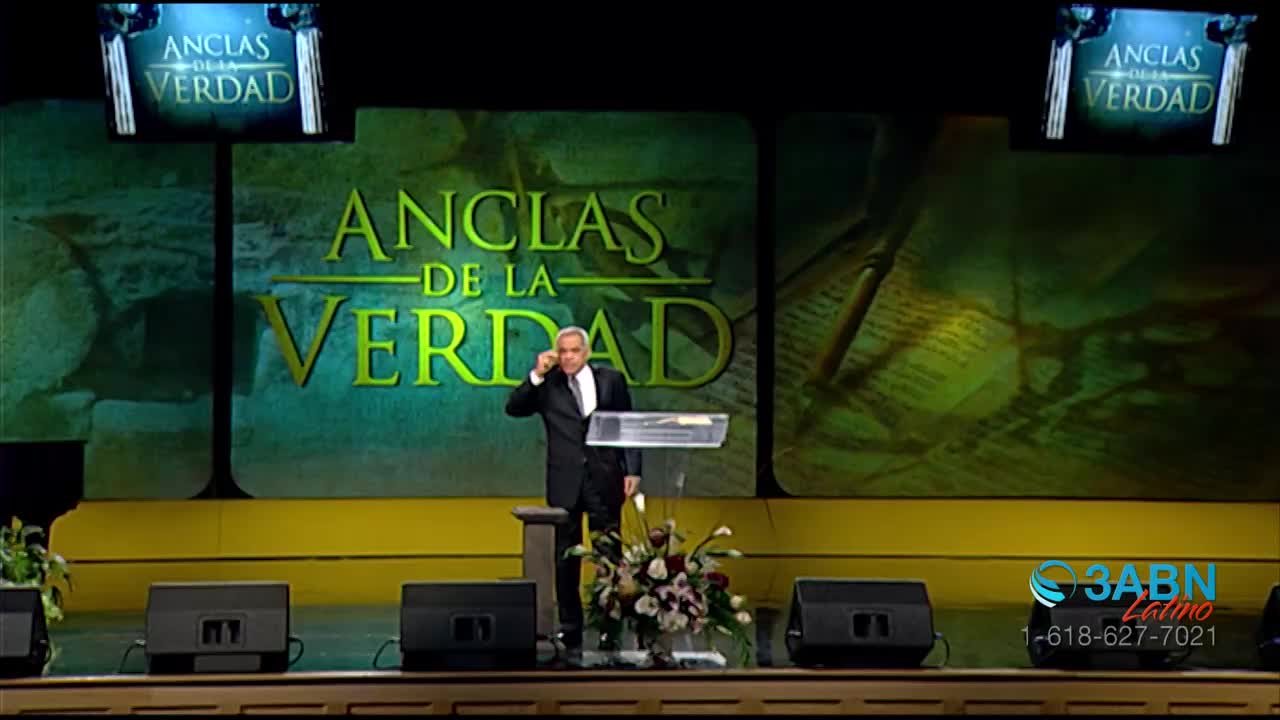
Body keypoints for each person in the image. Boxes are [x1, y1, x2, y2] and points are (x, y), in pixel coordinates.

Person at [505, 325, 641, 652]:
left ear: (587, 352)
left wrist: (633, 469)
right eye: (562, 351)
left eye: (574, 351)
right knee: (566, 557)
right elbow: (514, 407)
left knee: (608, 554)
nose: (567, 357)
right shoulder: (548, 384)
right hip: (564, 482)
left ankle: (610, 624)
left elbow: (627, 423)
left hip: (605, 478)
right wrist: (536, 374)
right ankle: (570, 626)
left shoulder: (611, 379)